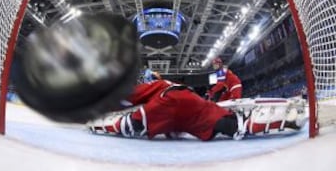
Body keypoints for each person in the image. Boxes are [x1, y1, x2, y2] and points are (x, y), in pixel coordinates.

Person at [87, 79, 307, 141]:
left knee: (131, 124)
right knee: (225, 122)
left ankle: (97, 125)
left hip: (170, 100)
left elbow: (127, 100)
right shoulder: (161, 84)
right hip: (189, 99)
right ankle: (280, 119)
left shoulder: (147, 89)